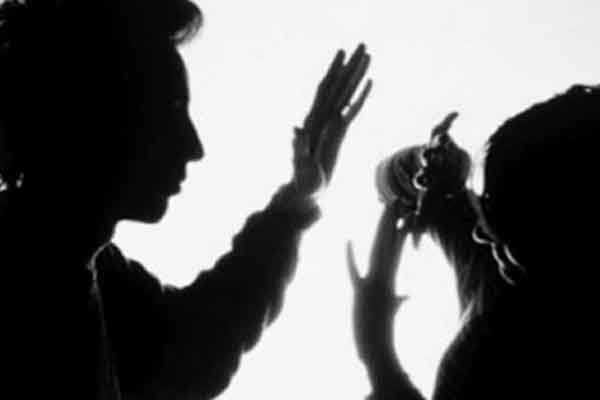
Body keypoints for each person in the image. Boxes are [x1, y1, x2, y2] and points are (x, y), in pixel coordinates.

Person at [0, 0, 371, 398]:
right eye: (169, 112)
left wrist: (298, 197)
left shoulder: (91, 269)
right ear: (92, 115)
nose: (194, 147)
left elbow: (192, 344)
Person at [348, 85, 599, 399]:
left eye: (495, 214)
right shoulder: (499, 259)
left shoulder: (499, 352)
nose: (482, 232)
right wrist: (435, 172)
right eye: (481, 204)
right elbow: (397, 184)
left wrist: (377, 353)